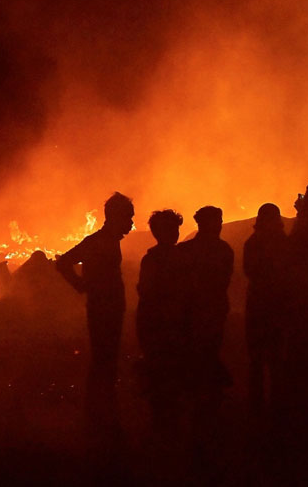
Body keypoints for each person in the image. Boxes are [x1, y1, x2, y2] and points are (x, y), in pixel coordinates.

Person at [56, 192, 134, 434]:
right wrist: (80, 285)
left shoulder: (107, 241)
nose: (131, 224)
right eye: (128, 218)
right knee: (103, 361)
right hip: (103, 309)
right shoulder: (98, 241)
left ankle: (99, 412)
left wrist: (81, 285)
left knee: (105, 360)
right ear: (116, 217)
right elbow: (63, 262)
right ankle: (99, 415)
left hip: (108, 308)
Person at [178, 206, 234, 450]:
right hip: (202, 313)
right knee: (204, 355)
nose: (219, 225)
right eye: (216, 221)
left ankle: (202, 405)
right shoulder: (222, 250)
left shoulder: (188, 250)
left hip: (203, 313)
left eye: (219, 221)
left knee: (203, 356)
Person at [136, 209, 189, 430]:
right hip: (163, 324)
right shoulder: (173, 259)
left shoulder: (154, 259)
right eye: (173, 229)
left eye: (176, 229)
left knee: (164, 375)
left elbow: (144, 291)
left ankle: (163, 421)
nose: (176, 233)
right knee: (166, 374)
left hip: (161, 324)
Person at [243, 203, 289, 417]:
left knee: (259, 358)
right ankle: (274, 404)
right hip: (274, 305)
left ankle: (258, 404)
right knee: (273, 358)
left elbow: (249, 271)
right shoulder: (283, 243)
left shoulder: (253, 243)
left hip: (261, 304)